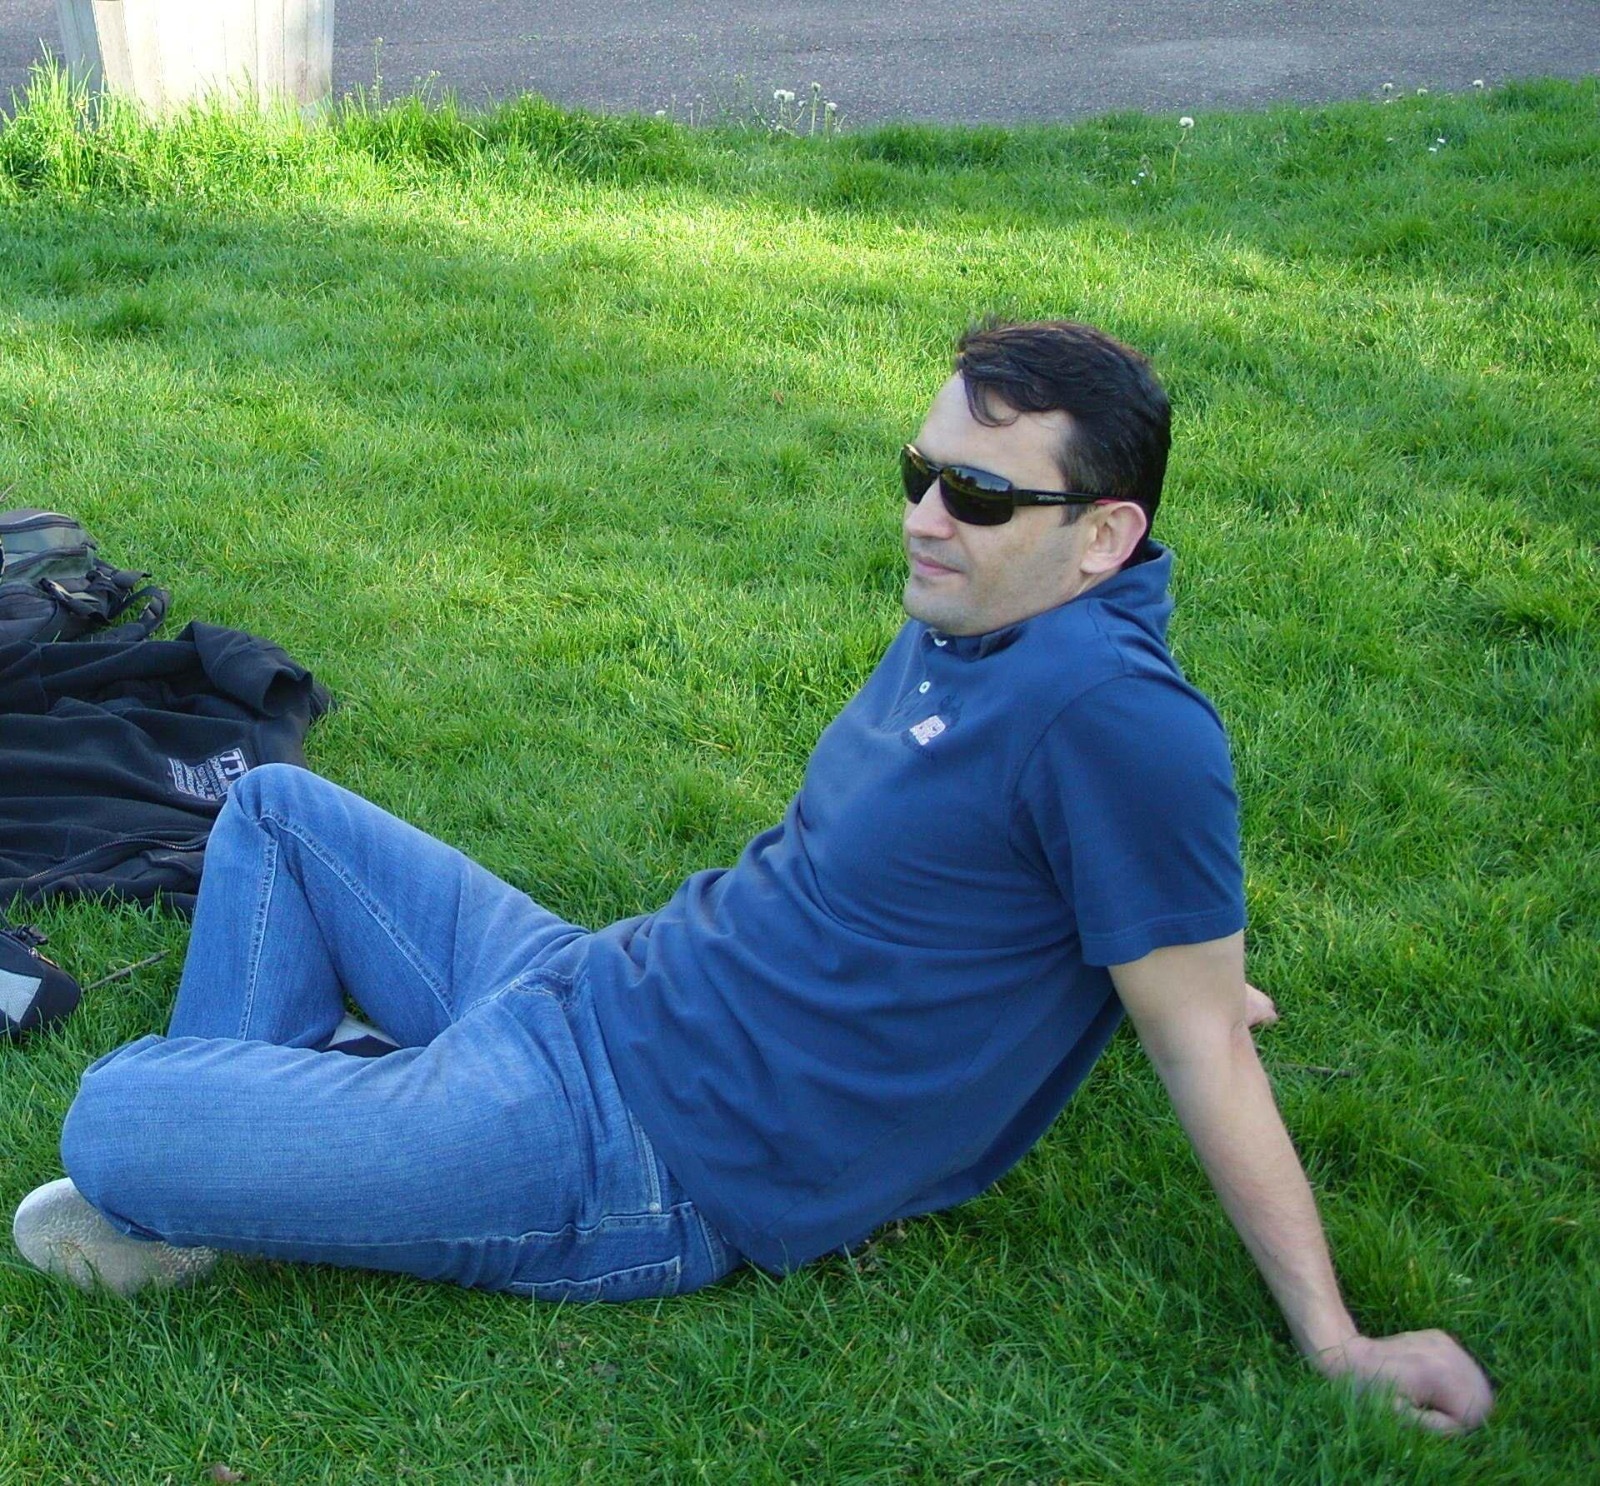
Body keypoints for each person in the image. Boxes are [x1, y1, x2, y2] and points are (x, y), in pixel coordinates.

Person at [13, 320, 1492, 1431]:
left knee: (117, 1116)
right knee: (275, 811)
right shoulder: (982, 610)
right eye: (922, 473)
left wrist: (1336, 1338)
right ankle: (303, 1136)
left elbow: (1198, 1036)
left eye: (979, 494)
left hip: (643, 1151)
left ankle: (285, 1137)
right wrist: (1179, 965)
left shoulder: (1116, 721)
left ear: (1105, 536)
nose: (925, 517)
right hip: (597, 983)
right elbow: (1087, 915)